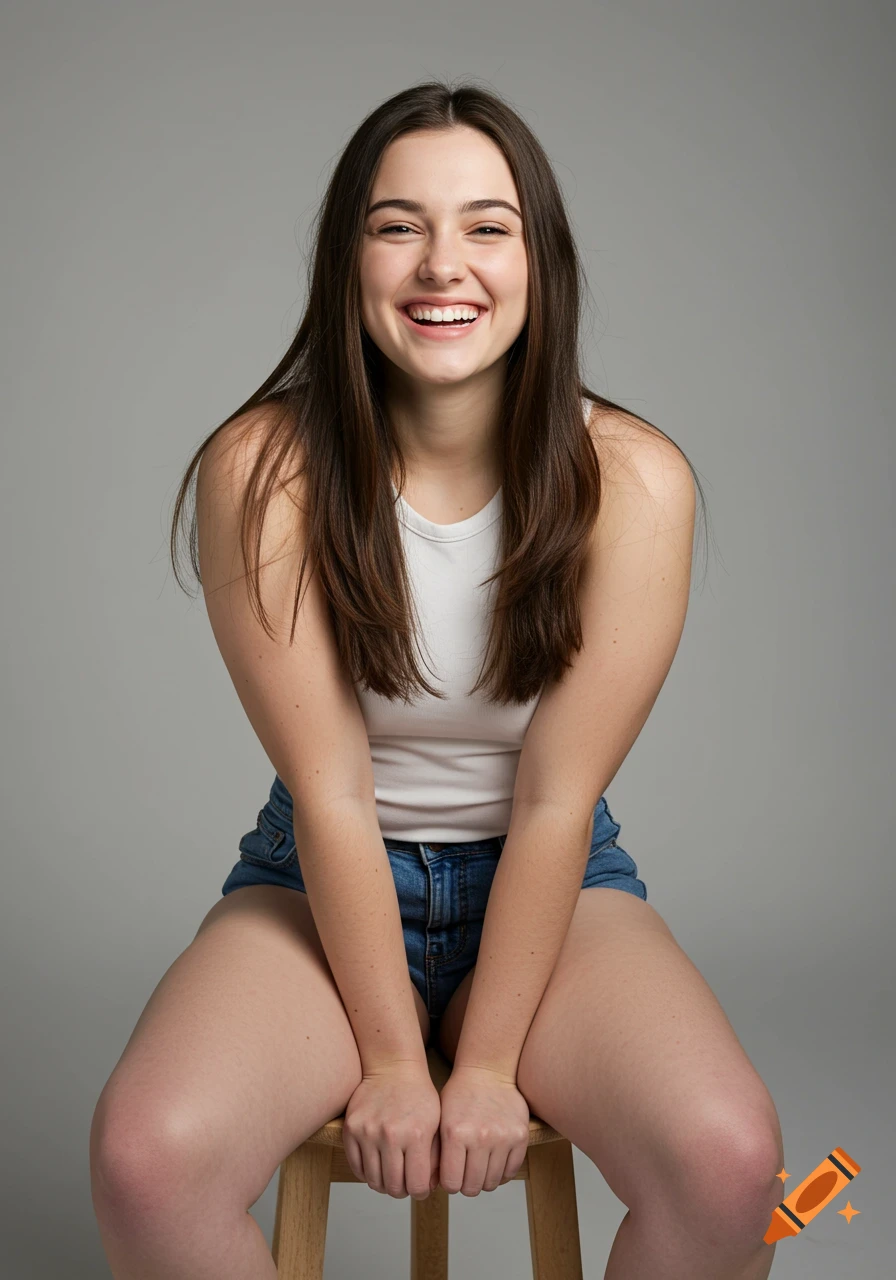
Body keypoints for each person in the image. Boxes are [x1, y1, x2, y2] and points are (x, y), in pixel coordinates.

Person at [89, 79, 784, 1280]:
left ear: (539, 259)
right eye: (396, 224)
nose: (439, 265)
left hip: (551, 873)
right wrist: (398, 1066)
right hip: (313, 882)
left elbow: (555, 801)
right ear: (345, 258)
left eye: (486, 225)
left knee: (733, 1166)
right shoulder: (260, 467)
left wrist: (490, 1065)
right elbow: (330, 789)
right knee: (145, 1160)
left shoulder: (634, 478)